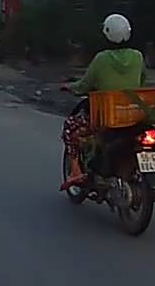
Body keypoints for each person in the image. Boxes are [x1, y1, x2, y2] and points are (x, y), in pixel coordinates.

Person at [59, 13, 147, 190]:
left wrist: (69, 87)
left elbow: (85, 85)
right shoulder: (138, 56)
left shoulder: (101, 59)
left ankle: (75, 172)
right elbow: (142, 79)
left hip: (106, 117)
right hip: (132, 115)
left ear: (106, 34)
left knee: (70, 127)